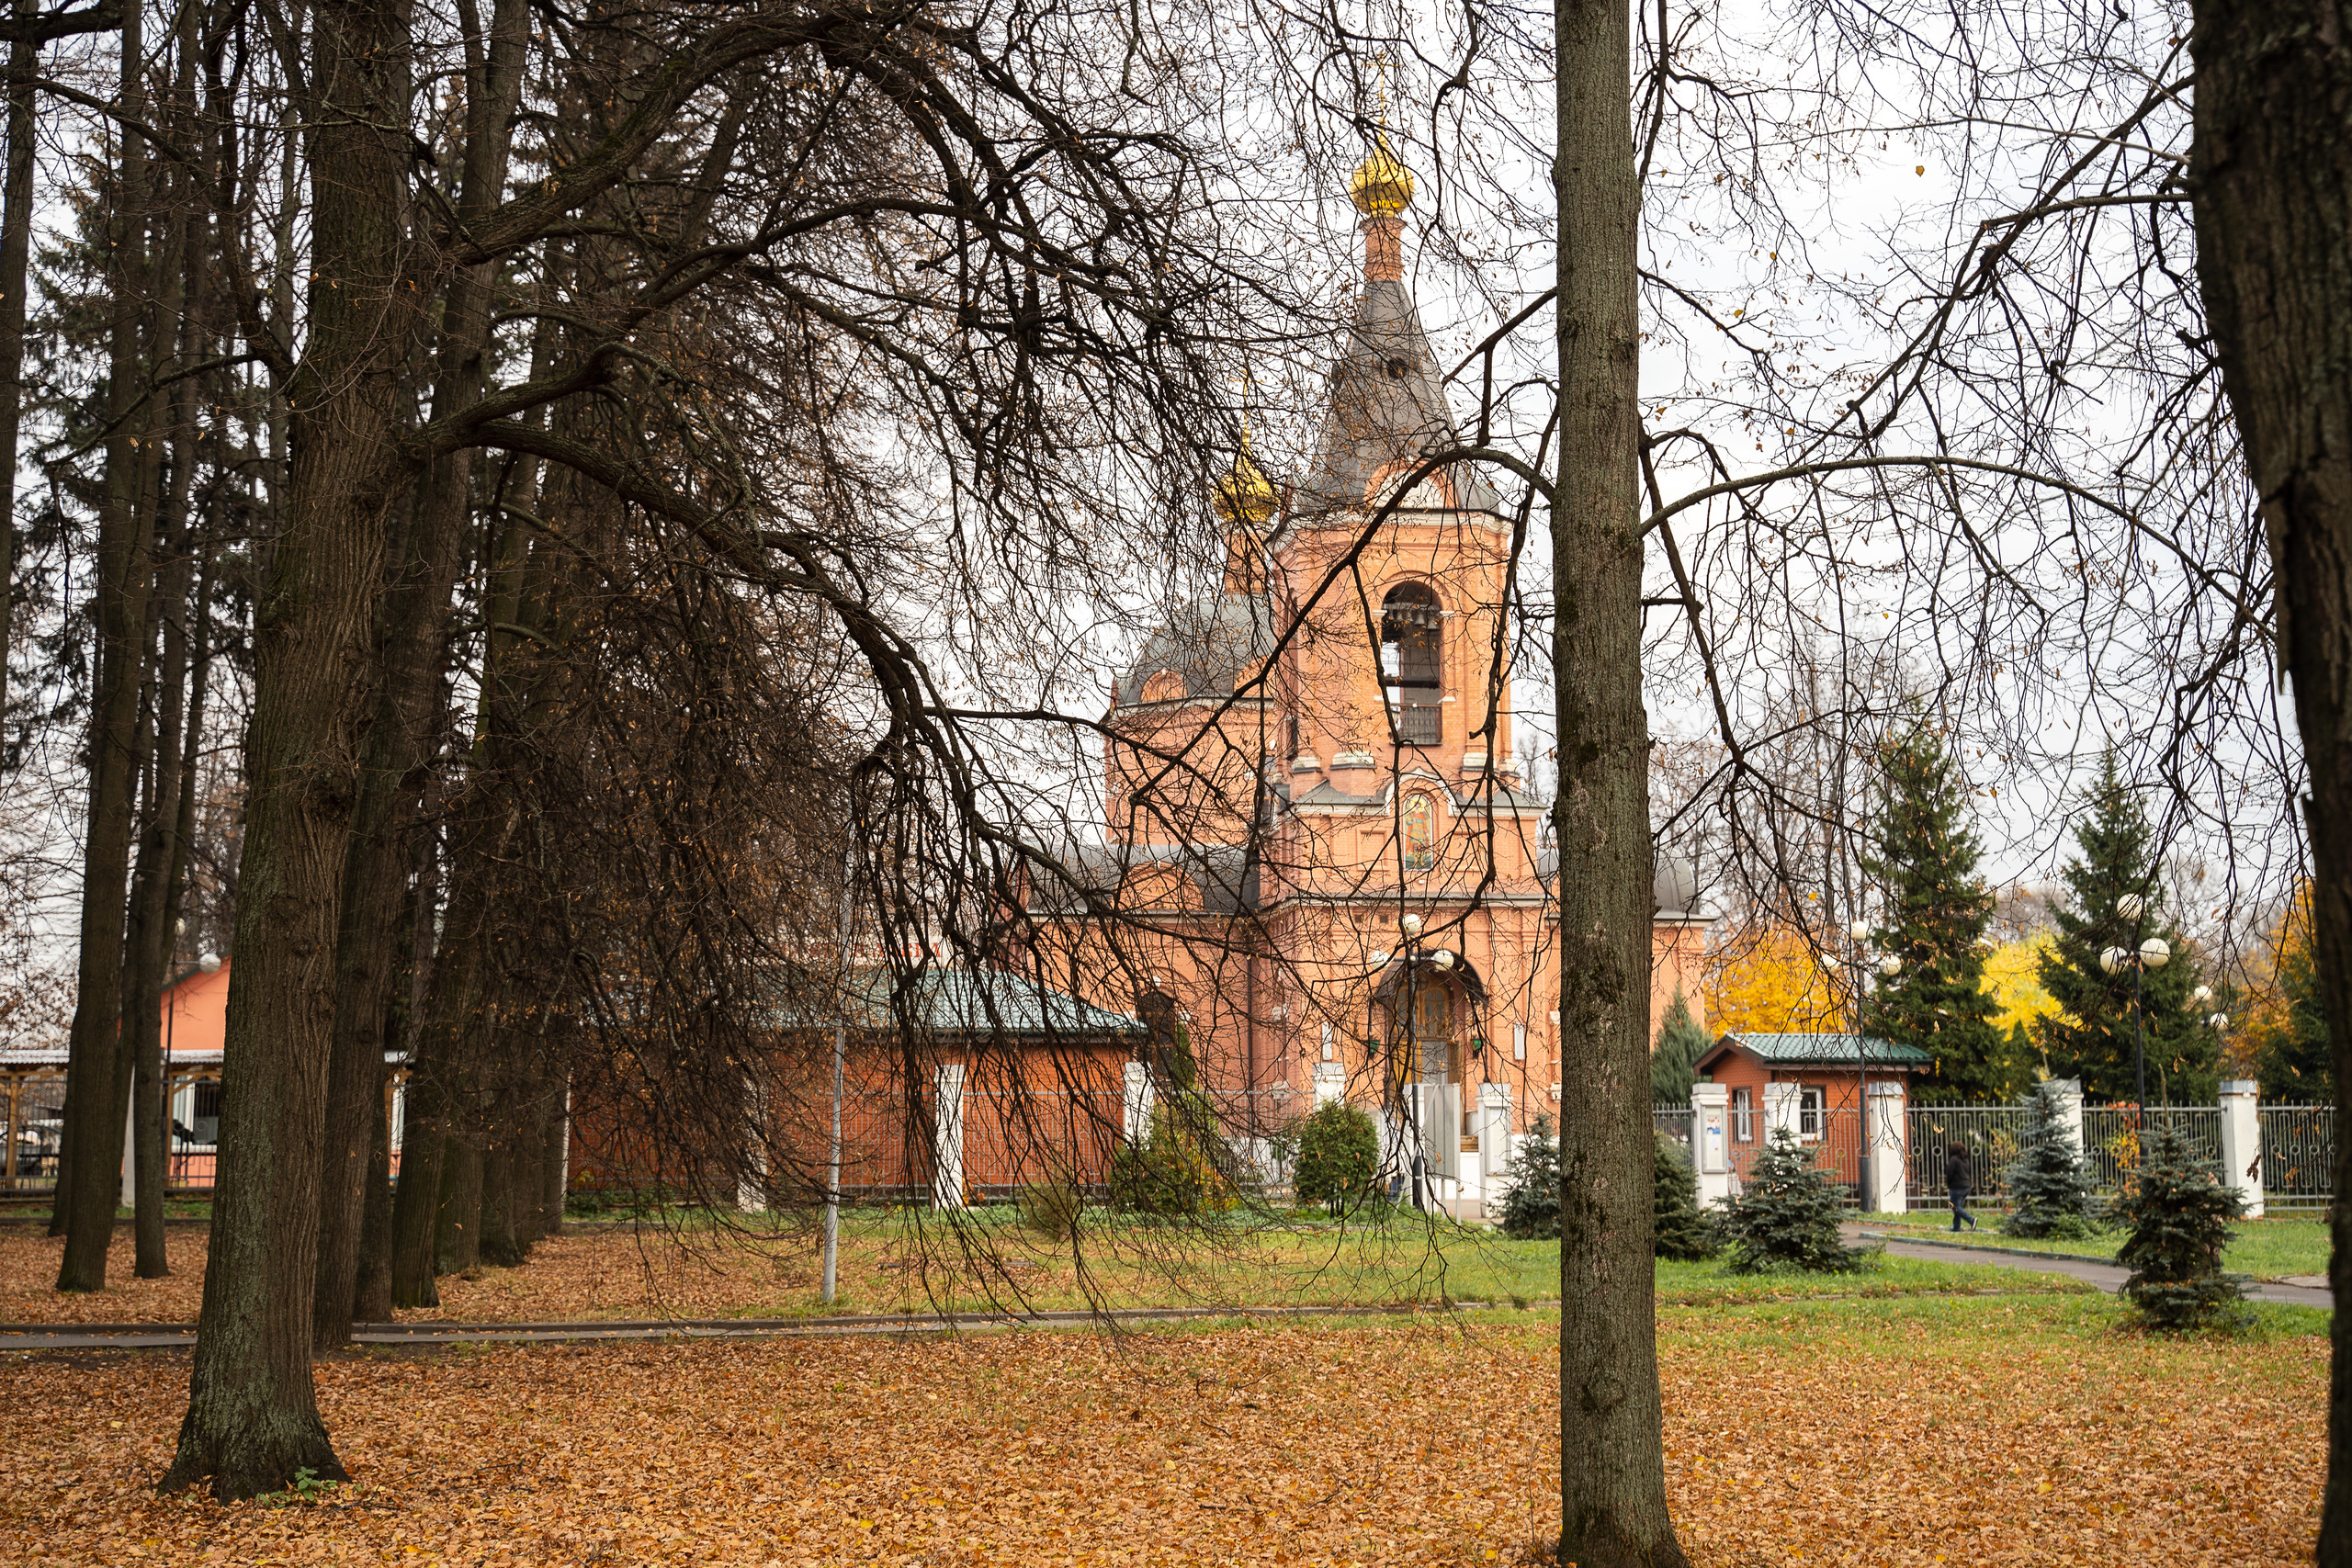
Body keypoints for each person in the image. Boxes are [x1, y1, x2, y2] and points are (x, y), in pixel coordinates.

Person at [1945, 1141, 1978, 1232]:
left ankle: (1972, 1220)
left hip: (1957, 1187)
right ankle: (1956, 1227)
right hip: (1966, 1186)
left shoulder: (1953, 1159)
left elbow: (1950, 1173)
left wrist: (1949, 1183)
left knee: (1954, 1206)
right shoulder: (1965, 1159)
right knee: (1957, 1207)